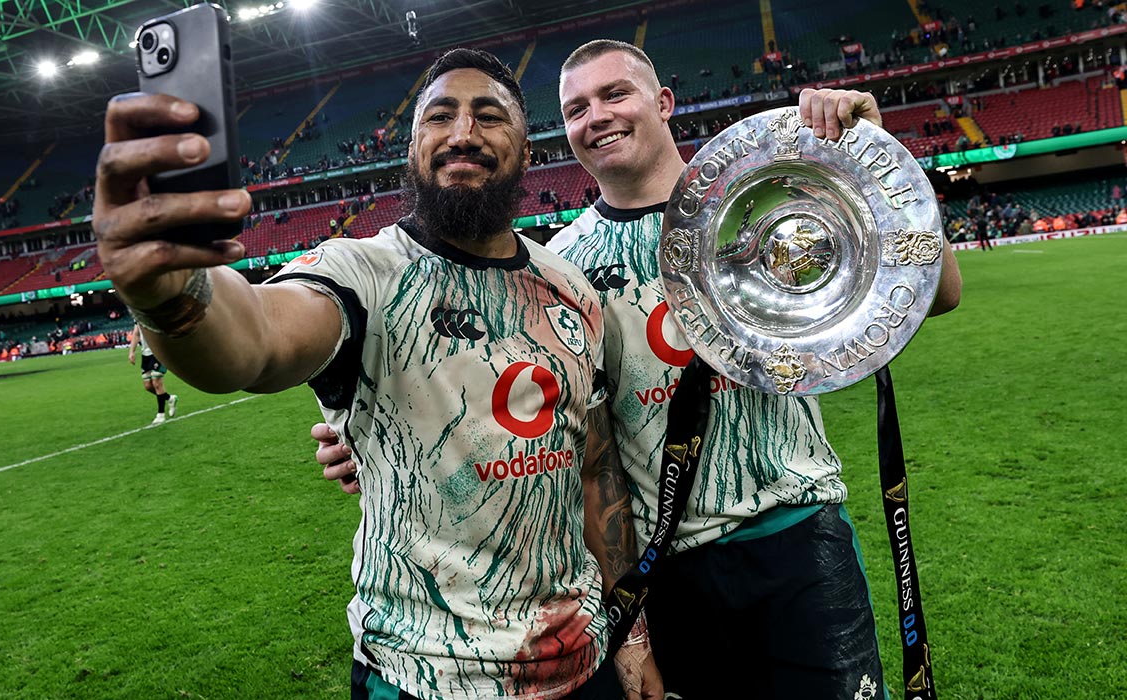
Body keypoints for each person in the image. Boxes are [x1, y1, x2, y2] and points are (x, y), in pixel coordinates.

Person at [318, 40, 962, 700]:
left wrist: (881, 165)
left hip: (796, 537)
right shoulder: (561, 272)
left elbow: (939, 295)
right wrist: (364, 435)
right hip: (666, 571)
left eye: (614, 94)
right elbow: (533, 422)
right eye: (575, 108)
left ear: (663, 103)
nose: (596, 115)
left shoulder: (760, 194)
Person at [95, 48, 658, 700]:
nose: (463, 133)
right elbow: (256, 342)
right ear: (414, 146)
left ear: (527, 149)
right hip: (422, 677)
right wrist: (172, 291)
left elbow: (591, 471)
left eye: (489, 116)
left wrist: (633, 634)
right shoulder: (363, 274)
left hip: (583, 668)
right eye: (439, 116)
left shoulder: (571, 290)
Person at [127, 322, 177, 425]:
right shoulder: (138, 316)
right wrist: (131, 352)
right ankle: (169, 398)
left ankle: (161, 414)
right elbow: (136, 334)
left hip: (159, 352)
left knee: (156, 383)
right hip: (146, 354)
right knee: (148, 386)